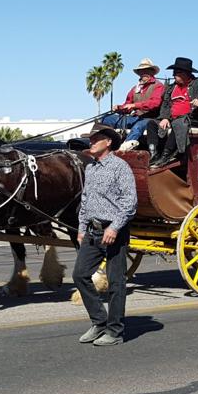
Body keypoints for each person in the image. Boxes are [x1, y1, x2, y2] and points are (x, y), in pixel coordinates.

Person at [74, 128, 137, 346]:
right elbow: (85, 200)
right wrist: (82, 228)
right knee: (79, 275)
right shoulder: (90, 168)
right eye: (90, 140)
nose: (91, 142)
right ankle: (99, 322)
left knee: (115, 283)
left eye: (95, 139)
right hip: (92, 232)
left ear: (108, 142)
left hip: (113, 233)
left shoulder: (120, 167)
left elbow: (130, 202)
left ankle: (115, 331)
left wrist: (115, 228)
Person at [98, 58, 166, 153]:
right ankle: (104, 146)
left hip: (152, 119)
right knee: (106, 119)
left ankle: (122, 151)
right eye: (142, 71)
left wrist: (134, 105)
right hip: (136, 118)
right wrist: (120, 108)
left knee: (138, 127)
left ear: (152, 72)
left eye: (147, 70)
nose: (144, 72)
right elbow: (128, 105)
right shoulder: (135, 88)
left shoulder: (158, 86)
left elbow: (154, 104)